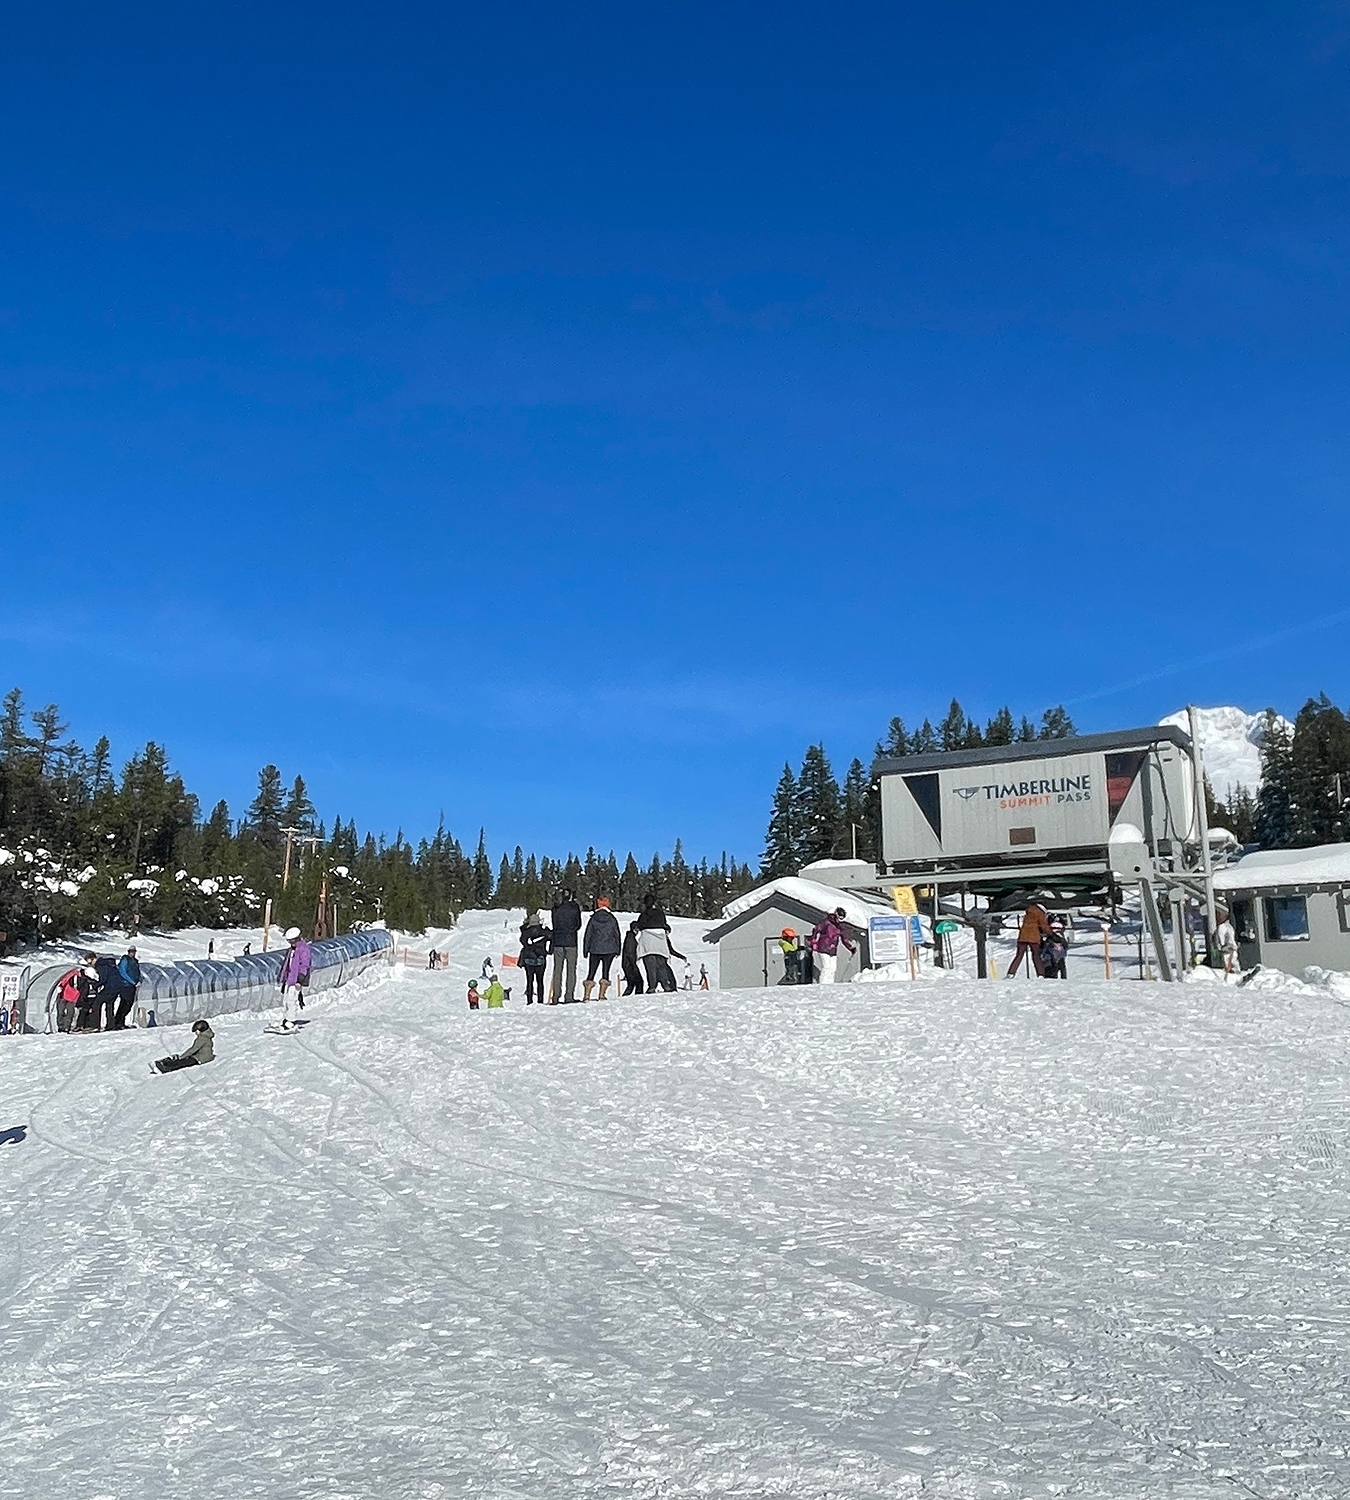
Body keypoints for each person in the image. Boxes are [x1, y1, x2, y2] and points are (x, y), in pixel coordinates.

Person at [582, 896, 622, 1000]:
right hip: (609, 949)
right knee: (606, 971)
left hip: (595, 948)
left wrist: (586, 949)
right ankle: (602, 994)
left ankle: (586, 995)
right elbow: (616, 934)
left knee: (591, 971)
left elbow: (588, 934)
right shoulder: (612, 918)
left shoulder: (594, 918)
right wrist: (618, 948)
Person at [549, 887, 582, 1003]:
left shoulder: (555, 909)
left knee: (557, 970)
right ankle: (569, 996)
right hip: (571, 941)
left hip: (558, 941)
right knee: (571, 970)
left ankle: (555, 996)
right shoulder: (574, 908)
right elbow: (578, 925)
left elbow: (554, 924)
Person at [276, 926, 312, 1031]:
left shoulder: (304, 949)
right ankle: (286, 1018)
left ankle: (291, 1020)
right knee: (286, 1000)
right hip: (289, 979)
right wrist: (283, 978)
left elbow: (304, 966)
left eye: (292, 941)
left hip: (296, 980)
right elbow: (287, 965)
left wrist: (300, 980)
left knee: (292, 1000)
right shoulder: (291, 950)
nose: (291, 943)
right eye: (289, 941)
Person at [808, 908, 856, 985]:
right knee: (826, 967)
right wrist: (813, 942)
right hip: (823, 948)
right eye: (840, 918)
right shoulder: (826, 922)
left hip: (833, 950)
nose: (840, 920)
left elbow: (844, 939)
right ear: (836, 915)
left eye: (842, 918)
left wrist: (851, 948)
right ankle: (823, 984)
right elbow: (816, 930)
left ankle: (830, 984)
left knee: (833, 968)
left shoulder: (839, 926)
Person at [1008, 900, 1052, 977]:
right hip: (1033, 936)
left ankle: (1011, 972)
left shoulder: (1028, 912)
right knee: (1036, 956)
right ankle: (1040, 973)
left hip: (1023, 936)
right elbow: (1043, 925)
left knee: (1019, 955)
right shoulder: (1040, 913)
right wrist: (1051, 933)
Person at [637, 922, 684, 993]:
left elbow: (670, 950)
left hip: (660, 957)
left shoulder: (664, 939)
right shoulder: (662, 939)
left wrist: (680, 956)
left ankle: (665, 986)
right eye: (667, 932)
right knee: (664, 972)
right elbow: (670, 950)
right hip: (662, 958)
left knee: (661, 972)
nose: (667, 934)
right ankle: (666, 986)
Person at [519, 912, 551, 1004]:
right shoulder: (544, 932)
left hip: (529, 960)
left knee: (529, 981)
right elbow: (551, 936)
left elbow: (522, 941)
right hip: (541, 959)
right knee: (540, 981)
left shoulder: (526, 933)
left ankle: (529, 1000)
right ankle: (540, 1000)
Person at [112, 945, 142, 1029]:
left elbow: (137, 972)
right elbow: (122, 972)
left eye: (134, 951)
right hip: (125, 985)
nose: (132, 953)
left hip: (133, 985)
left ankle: (121, 1021)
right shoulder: (125, 959)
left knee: (129, 1004)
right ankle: (118, 1021)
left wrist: (139, 980)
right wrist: (132, 981)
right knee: (124, 1003)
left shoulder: (135, 961)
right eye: (131, 951)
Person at [93, 952, 121, 1031]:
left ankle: (95, 1025)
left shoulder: (101, 965)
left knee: (96, 1005)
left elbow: (103, 978)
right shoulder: (113, 966)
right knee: (109, 1007)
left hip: (107, 988)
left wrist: (96, 986)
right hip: (115, 989)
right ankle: (111, 1025)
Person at [74, 954, 102, 1031]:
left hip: (88, 992)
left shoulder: (85, 970)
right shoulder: (89, 969)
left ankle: (85, 1025)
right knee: (86, 1009)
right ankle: (84, 1025)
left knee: (87, 1009)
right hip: (88, 992)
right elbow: (96, 978)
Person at [1214, 906, 1239, 977]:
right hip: (1226, 955)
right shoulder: (1222, 927)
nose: (1218, 917)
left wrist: (1225, 948)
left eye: (1220, 914)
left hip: (1228, 955)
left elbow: (1230, 943)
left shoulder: (1226, 927)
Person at [54, 967, 81, 1033]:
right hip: (65, 996)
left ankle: (65, 1027)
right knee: (64, 1012)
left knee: (68, 1013)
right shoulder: (69, 975)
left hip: (72, 997)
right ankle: (62, 1027)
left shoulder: (79, 977)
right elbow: (63, 981)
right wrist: (60, 987)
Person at [620, 922, 644, 995]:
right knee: (639, 982)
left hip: (627, 963)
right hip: (630, 963)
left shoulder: (630, 936)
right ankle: (638, 997)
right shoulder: (630, 937)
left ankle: (625, 997)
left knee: (631, 983)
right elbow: (629, 952)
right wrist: (633, 964)